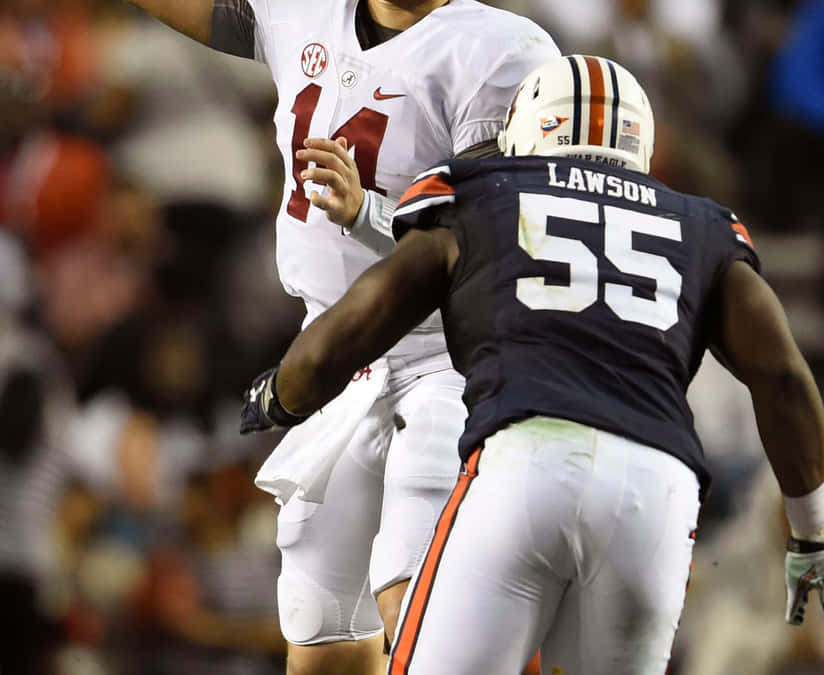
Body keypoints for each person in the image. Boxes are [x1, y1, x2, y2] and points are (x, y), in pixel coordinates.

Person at [241, 55, 824, 674]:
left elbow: (360, 319)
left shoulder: (482, 194)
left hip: (525, 461)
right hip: (656, 493)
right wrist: (813, 532)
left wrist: (281, 395)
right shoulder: (703, 225)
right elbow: (782, 376)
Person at [125, 1, 558, 673]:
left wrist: (367, 215)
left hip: (450, 356)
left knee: (432, 614)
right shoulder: (301, 11)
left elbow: (485, 254)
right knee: (322, 640)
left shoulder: (499, 52)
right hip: (339, 349)